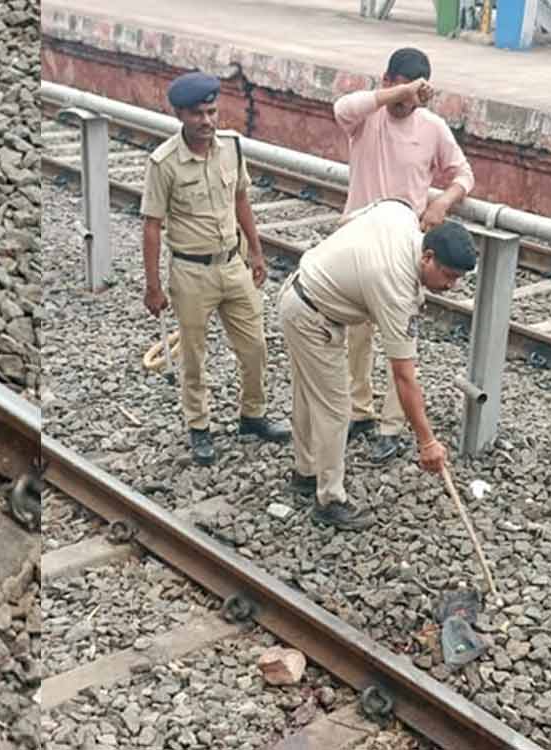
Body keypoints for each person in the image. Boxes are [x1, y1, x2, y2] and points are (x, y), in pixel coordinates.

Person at [277, 199, 476, 530]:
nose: (451, 286)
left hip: (302, 294)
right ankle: (329, 499)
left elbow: (350, 220)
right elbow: (403, 377)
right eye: (448, 275)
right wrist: (427, 441)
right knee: (336, 408)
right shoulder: (396, 289)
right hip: (313, 317)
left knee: (308, 395)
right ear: (427, 257)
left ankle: (305, 473)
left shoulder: (402, 216)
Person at [140, 71, 290, 466]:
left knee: (255, 346)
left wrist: (256, 253)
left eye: (211, 111)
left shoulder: (232, 148)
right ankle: (199, 427)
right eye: (197, 114)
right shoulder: (164, 163)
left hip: (232, 265)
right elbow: (152, 226)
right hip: (191, 273)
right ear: (179, 114)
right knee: (194, 356)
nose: (207, 121)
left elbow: (241, 201)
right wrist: (153, 287)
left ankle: (253, 415)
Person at [333, 47, 475, 464]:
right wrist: (395, 93)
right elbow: (343, 106)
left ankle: (393, 425)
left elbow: (464, 173)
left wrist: (443, 202)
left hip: (405, 250)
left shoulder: (431, 128)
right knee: (356, 335)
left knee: (401, 342)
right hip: (357, 244)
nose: (404, 105)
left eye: (413, 98)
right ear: (387, 81)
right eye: (399, 93)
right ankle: (359, 409)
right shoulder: (365, 118)